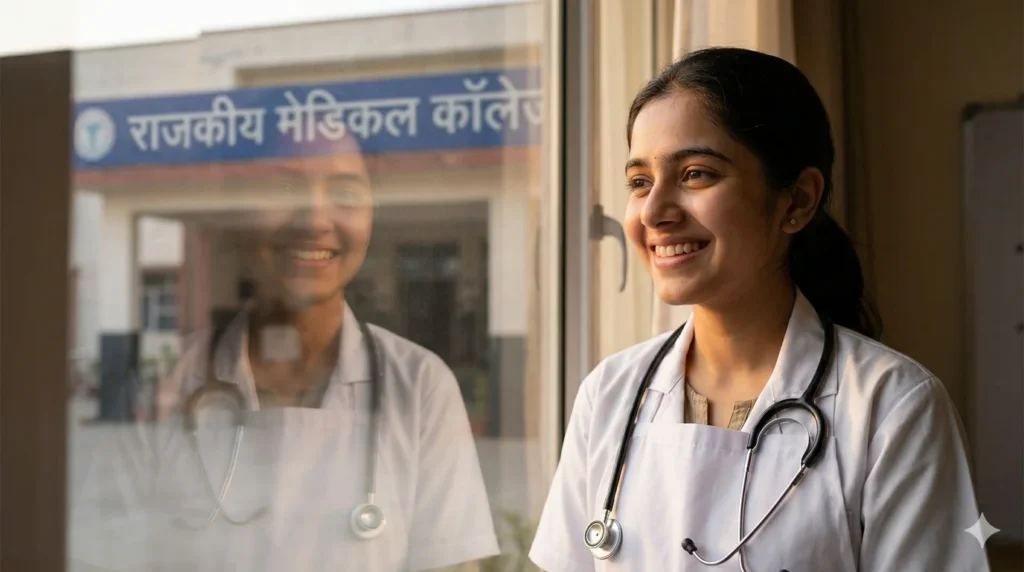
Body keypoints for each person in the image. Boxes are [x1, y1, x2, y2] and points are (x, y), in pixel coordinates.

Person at [529, 47, 989, 571]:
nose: (653, 212)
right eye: (640, 182)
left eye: (696, 174)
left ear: (796, 201)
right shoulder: (609, 395)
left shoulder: (893, 408)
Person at [69, 139, 499, 571]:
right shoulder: (166, 387)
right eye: (284, 190)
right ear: (240, 215)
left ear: (372, 216)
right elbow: (103, 556)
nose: (315, 220)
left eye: (345, 194)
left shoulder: (421, 386)